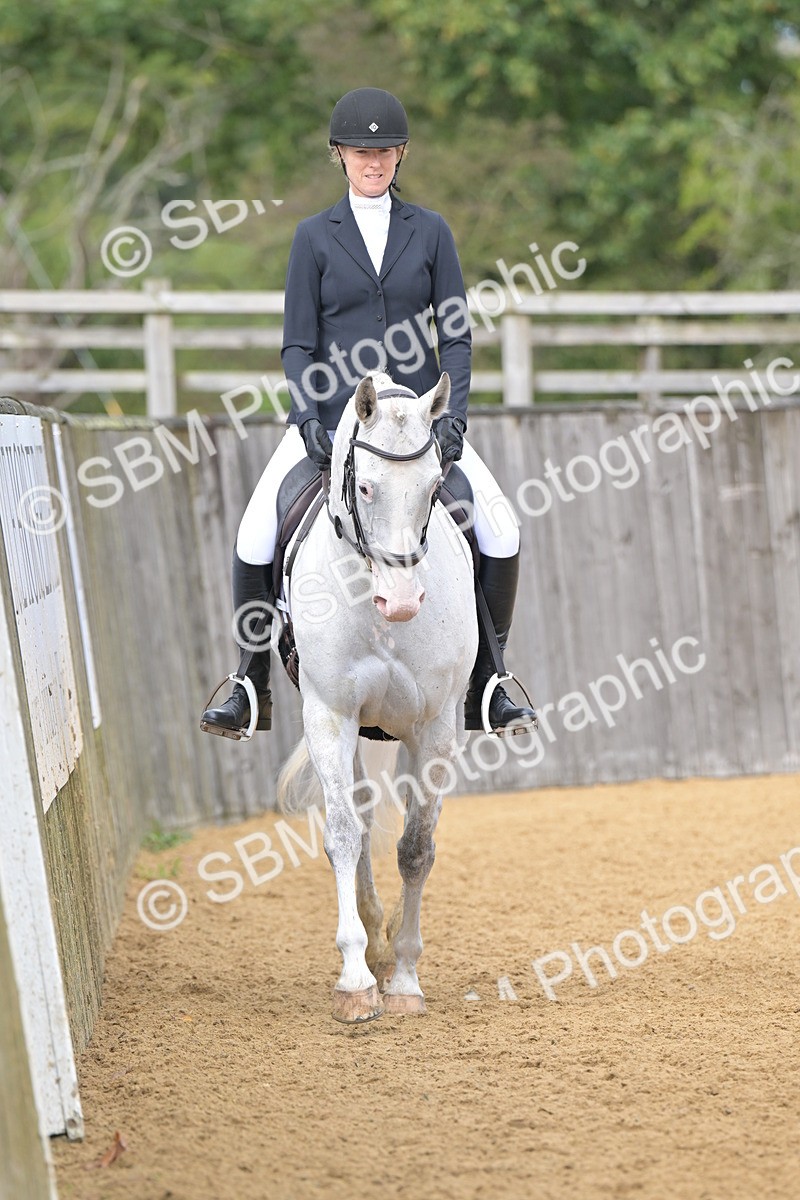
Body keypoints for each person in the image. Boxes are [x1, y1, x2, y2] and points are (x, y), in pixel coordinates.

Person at [201, 87, 537, 739]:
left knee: (502, 531)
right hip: (331, 420)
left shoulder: (432, 232)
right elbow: (298, 343)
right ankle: (250, 682)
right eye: (361, 151)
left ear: (400, 154)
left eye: (384, 151)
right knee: (252, 534)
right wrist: (308, 423)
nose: (373, 161)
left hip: (416, 428)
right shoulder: (313, 238)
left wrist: (453, 422)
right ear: (341, 156)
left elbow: (457, 336)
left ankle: (489, 683)